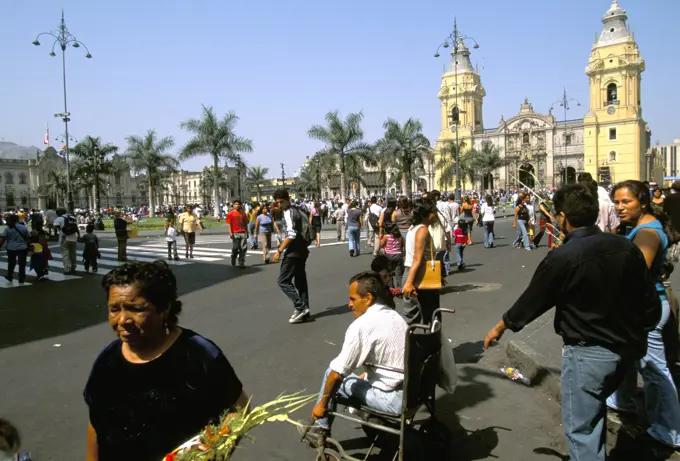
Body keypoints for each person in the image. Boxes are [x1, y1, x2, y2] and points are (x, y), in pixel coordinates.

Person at [483, 184, 661, 461]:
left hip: (587, 354)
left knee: (582, 430)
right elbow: (649, 302)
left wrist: (501, 325)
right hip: (628, 350)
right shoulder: (625, 247)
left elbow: (535, 299)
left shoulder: (565, 256)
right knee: (594, 415)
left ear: (562, 217)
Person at [84, 261, 248, 461]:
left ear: (164, 308)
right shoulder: (107, 361)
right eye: (114, 309)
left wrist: (214, 453)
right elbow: (95, 424)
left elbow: (239, 409)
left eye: (135, 309)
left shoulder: (197, 354)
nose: (122, 320)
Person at [606, 180, 680, 450]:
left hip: (646, 308)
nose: (620, 207)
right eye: (617, 202)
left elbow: (635, 275)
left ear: (644, 202)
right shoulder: (640, 228)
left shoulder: (647, 233)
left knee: (655, 371)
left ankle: (669, 430)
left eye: (626, 202)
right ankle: (620, 401)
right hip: (642, 307)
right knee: (626, 355)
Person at [301, 271, 406, 443]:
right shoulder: (395, 317)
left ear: (368, 298)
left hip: (392, 399)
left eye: (353, 299)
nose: (349, 305)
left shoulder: (362, 326)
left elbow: (337, 373)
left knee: (331, 374)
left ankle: (320, 429)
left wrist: (321, 404)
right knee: (351, 377)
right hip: (412, 391)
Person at [272, 189, 311, 324]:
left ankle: (300, 307)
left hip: (294, 251)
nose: (280, 205)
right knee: (300, 281)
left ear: (288, 199)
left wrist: (279, 250)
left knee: (283, 281)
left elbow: (291, 235)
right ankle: (305, 311)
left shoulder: (289, 213)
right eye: (277, 203)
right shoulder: (296, 210)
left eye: (281, 202)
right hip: (302, 250)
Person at [402, 198, 441, 325]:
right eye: (434, 211)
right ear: (426, 214)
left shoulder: (413, 229)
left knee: (420, 316)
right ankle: (418, 343)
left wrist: (436, 275)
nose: (436, 214)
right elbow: (417, 259)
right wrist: (409, 283)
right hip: (418, 275)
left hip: (414, 272)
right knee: (427, 317)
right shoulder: (423, 230)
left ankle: (416, 341)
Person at [0, 214, 29, 284]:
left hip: (11, 248)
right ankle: (21, 278)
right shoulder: (23, 227)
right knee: (22, 264)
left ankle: (10, 276)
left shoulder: (8, 228)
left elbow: (3, 239)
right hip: (22, 247)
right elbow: (28, 237)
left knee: (11, 263)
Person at [53, 207, 80, 275]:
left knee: (65, 254)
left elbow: (55, 227)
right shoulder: (72, 217)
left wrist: (55, 234)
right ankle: (73, 268)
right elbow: (76, 227)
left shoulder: (58, 219)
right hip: (73, 238)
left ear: (59, 213)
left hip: (64, 238)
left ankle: (67, 269)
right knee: (73, 254)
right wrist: (79, 236)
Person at [226, 200, 248, 268]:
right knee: (235, 248)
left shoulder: (243, 213)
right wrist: (230, 233)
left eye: (238, 204)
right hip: (235, 233)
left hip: (243, 232)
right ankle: (233, 256)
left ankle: (241, 261)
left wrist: (247, 232)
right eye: (236, 204)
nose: (237, 205)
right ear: (233, 205)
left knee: (243, 248)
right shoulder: (230, 213)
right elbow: (229, 224)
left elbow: (245, 223)